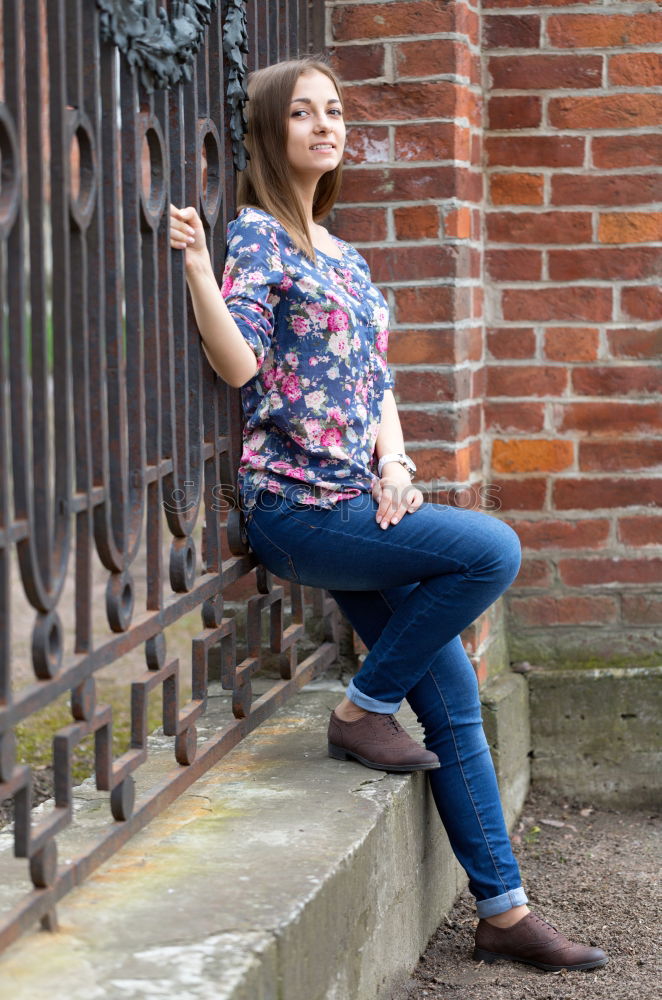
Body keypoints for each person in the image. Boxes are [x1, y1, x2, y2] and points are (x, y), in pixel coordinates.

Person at [169, 56, 607, 974]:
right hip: (294, 505)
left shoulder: (347, 255)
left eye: (334, 111)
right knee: (491, 550)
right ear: (268, 132)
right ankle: (362, 706)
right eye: (304, 113)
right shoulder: (256, 236)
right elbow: (241, 366)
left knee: (450, 699)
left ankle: (503, 911)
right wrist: (200, 269)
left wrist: (396, 466)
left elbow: (377, 386)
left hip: (357, 498)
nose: (327, 126)